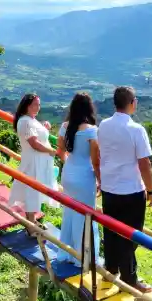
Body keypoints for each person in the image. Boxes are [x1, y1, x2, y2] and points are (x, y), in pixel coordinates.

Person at [97, 86, 152, 293]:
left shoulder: (103, 126)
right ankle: (130, 278)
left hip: (109, 188)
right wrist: (151, 190)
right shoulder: (136, 129)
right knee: (131, 235)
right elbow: (144, 163)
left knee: (111, 230)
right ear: (133, 103)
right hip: (131, 190)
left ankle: (111, 269)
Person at [55, 93, 101, 265]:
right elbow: (96, 161)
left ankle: (67, 251)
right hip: (84, 176)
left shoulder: (65, 126)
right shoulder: (91, 130)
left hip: (68, 173)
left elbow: (59, 150)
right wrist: (99, 180)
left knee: (69, 213)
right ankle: (84, 257)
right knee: (86, 214)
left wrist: (69, 162)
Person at [9, 93, 58, 224]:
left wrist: (43, 126)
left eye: (39, 104)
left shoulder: (30, 120)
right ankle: (30, 223)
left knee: (34, 191)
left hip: (37, 161)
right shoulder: (25, 121)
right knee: (31, 191)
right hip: (33, 162)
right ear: (27, 106)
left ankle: (32, 221)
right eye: (35, 104)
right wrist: (52, 151)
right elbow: (34, 143)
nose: (38, 107)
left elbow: (35, 132)